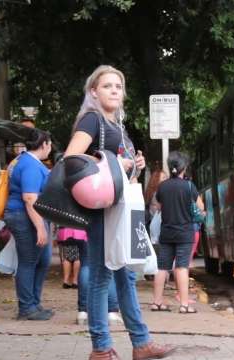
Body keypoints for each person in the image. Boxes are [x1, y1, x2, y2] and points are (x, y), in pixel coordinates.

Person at [64, 65, 173, 360]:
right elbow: (71, 158)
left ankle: (141, 343)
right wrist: (110, 161)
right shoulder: (92, 120)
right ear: (93, 92)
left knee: (125, 275)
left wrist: (134, 164)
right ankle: (100, 348)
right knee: (101, 276)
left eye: (118, 86)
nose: (114, 90)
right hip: (101, 210)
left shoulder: (119, 127)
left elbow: (121, 168)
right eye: (107, 86)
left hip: (120, 209)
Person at [4, 129, 54, 321]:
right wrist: (40, 227)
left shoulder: (27, 161)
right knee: (28, 261)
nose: (50, 148)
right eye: (49, 144)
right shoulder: (30, 165)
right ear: (44, 144)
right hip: (24, 216)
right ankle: (26, 308)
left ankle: (34, 303)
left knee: (43, 260)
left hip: (30, 216)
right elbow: (29, 198)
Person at [151, 151, 205, 314]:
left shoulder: (162, 186)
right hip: (184, 233)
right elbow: (200, 207)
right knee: (181, 267)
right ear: (184, 167)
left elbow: (158, 207)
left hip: (166, 233)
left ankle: (157, 302)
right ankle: (184, 305)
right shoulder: (189, 186)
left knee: (162, 268)